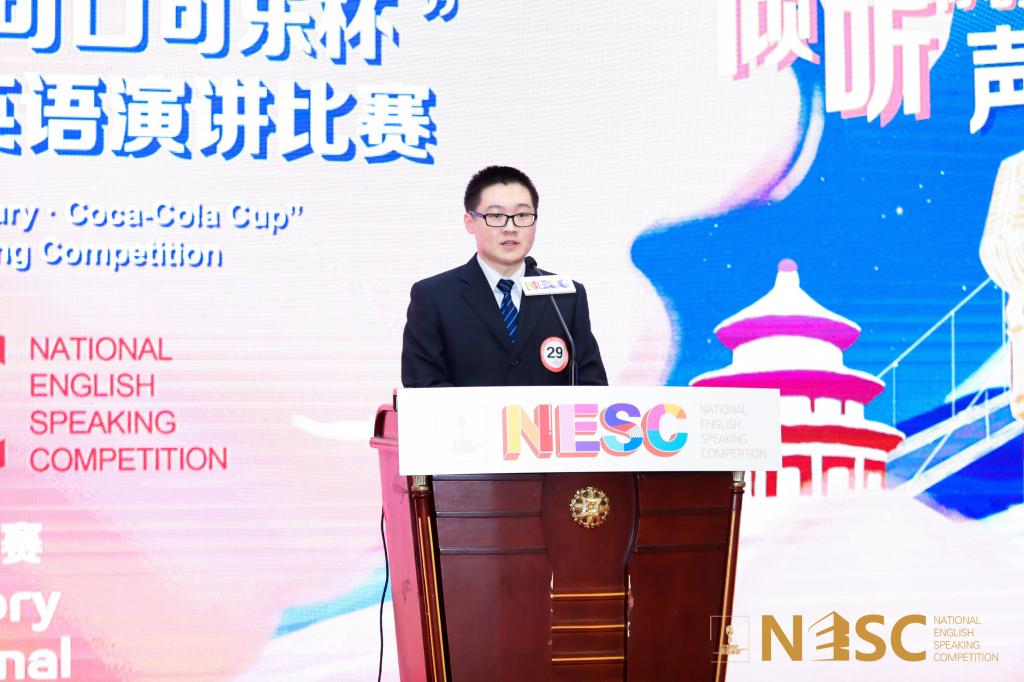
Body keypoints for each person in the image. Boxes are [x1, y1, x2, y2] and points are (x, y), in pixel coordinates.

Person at [401, 165, 608, 387]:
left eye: (522, 215)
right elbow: (423, 385)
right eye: (496, 215)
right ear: (469, 222)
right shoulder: (434, 296)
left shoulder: (565, 295)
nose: (510, 228)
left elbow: (591, 384)